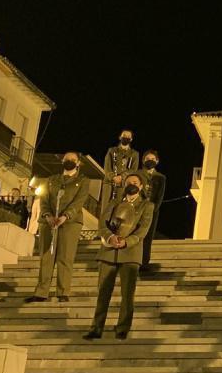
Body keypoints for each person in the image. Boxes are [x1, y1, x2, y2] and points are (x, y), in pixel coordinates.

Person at [84, 172, 153, 341]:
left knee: (127, 294)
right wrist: (110, 237)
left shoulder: (146, 205)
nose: (132, 184)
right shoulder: (114, 202)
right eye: (129, 182)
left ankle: (122, 328)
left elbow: (143, 229)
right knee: (103, 292)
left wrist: (127, 241)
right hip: (109, 251)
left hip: (130, 253)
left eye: (135, 182)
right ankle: (97, 327)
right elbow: (102, 223)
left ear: (141, 186)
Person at [26, 151, 90, 303]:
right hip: (49, 222)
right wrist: (47, 215)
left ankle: (63, 292)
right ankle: (41, 292)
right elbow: (44, 199)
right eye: (67, 159)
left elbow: (79, 200)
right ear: (62, 161)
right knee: (46, 256)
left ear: (78, 163)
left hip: (70, 223)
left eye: (73, 159)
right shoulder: (51, 179)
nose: (69, 161)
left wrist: (65, 216)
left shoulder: (82, 180)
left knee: (65, 257)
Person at [139, 149, 167, 271]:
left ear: (157, 161)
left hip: (151, 211)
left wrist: (154, 209)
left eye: (153, 159)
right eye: (148, 159)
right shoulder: (137, 174)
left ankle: (144, 262)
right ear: (143, 160)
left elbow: (160, 195)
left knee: (148, 236)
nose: (150, 161)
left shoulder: (161, 177)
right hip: (137, 209)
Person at [100, 129, 140, 215]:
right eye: (124, 135)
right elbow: (107, 167)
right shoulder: (112, 150)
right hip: (109, 183)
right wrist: (113, 177)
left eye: (128, 136)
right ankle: (102, 227)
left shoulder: (134, 154)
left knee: (118, 208)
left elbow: (133, 169)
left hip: (123, 184)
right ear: (120, 137)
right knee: (105, 208)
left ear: (131, 139)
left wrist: (122, 177)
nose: (126, 137)